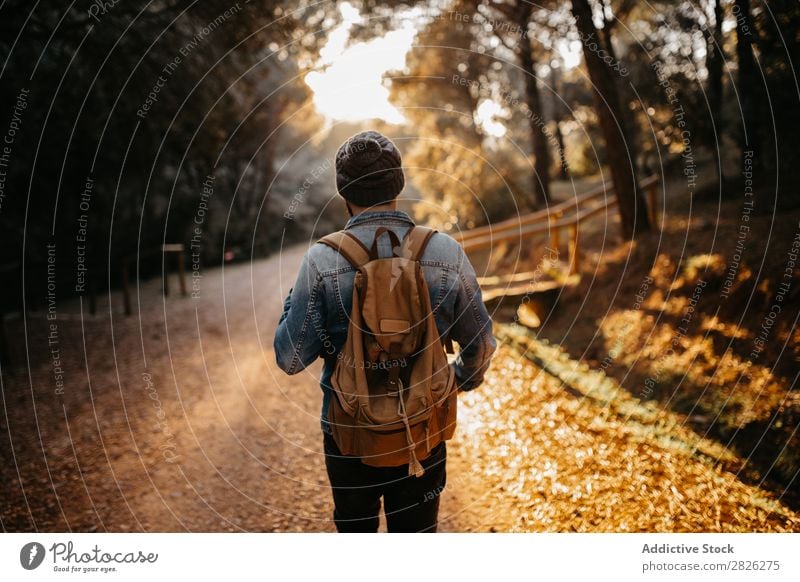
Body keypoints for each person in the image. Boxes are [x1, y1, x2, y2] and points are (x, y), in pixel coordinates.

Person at [274, 130, 496, 532]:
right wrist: (450, 383)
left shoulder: (323, 259)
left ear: (344, 193)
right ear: (400, 184)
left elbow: (290, 358)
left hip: (349, 438)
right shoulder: (444, 251)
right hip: (421, 433)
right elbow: (480, 345)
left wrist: (296, 299)